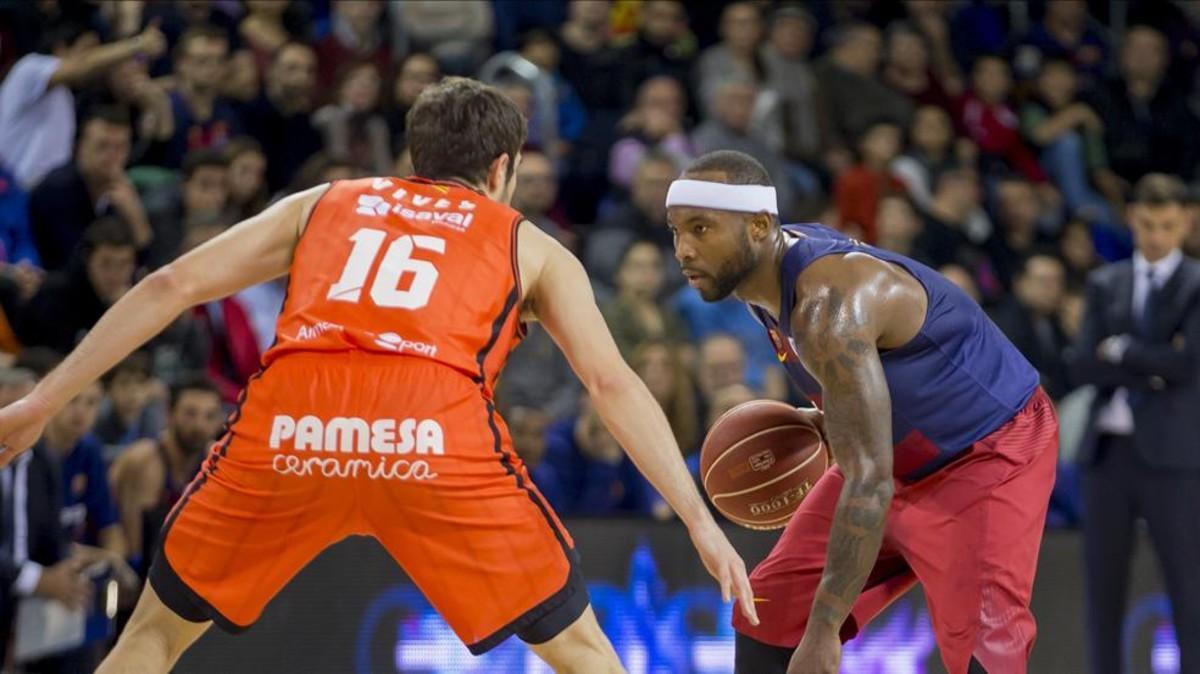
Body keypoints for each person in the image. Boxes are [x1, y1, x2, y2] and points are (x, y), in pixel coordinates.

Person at [0, 78, 754, 674]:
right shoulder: (530, 243)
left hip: (290, 428)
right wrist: (695, 518)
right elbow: (612, 384)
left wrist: (41, 399)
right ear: (503, 170)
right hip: (432, 437)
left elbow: (169, 285)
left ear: (412, 159)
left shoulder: (325, 202)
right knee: (584, 654)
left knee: (153, 642)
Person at [665, 150, 1058, 674]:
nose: (683, 249)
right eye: (675, 231)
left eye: (700, 228)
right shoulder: (756, 276)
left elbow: (868, 480)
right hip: (885, 456)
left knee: (986, 650)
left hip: (986, 454)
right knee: (769, 612)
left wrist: (825, 629)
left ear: (759, 226)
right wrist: (826, 419)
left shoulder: (828, 302)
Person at [1068, 173, 1200, 674]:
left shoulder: (1196, 283)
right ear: (1132, 220)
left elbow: (1190, 367)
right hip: (1107, 453)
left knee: (1188, 588)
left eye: (1167, 225)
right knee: (1101, 592)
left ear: (1184, 223)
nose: (1157, 236)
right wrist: (1156, 364)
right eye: (1147, 224)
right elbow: (1082, 364)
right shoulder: (1106, 282)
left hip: (1175, 456)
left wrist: (1121, 350)